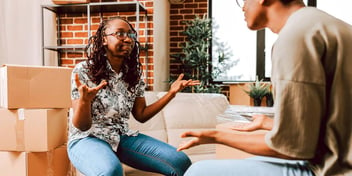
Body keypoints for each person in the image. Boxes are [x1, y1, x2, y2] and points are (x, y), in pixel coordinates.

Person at [177, 0, 352, 175]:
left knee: (199, 171)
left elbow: (293, 146)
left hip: (333, 170)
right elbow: (335, 124)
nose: (243, 7)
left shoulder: (294, 38)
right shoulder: (330, 26)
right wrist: (268, 123)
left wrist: (216, 136)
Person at [67, 17, 199, 176]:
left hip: (121, 136)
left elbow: (141, 114)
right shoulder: (83, 70)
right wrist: (84, 101)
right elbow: (82, 126)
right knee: (110, 171)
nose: (128, 39)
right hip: (87, 138)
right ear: (104, 39)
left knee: (180, 161)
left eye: (131, 35)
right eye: (120, 34)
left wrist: (171, 94)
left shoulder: (133, 74)